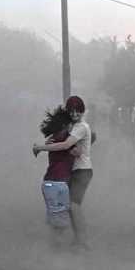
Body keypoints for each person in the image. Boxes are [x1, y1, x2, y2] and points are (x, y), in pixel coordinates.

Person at [33, 96, 93, 249]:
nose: (74, 114)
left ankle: (82, 241)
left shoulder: (80, 126)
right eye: (71, 111)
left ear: (82, 110)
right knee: (70, 207)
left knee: (74, 206)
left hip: (82, 170)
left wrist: (41, 148)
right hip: (75, 170)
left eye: (77, 111)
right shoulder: (74, 127)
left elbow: (65, 145)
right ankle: (79, 240)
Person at [34, 105, 75, 238]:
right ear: (65, 125)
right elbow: (73, 149)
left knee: (58, 218)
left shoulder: (56, 138)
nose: (72, 126)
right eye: (70, 124)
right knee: (59, 220)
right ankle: (56, 249)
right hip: (55, 184)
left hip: (54, 184)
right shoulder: (63, 139)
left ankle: (56, 247)